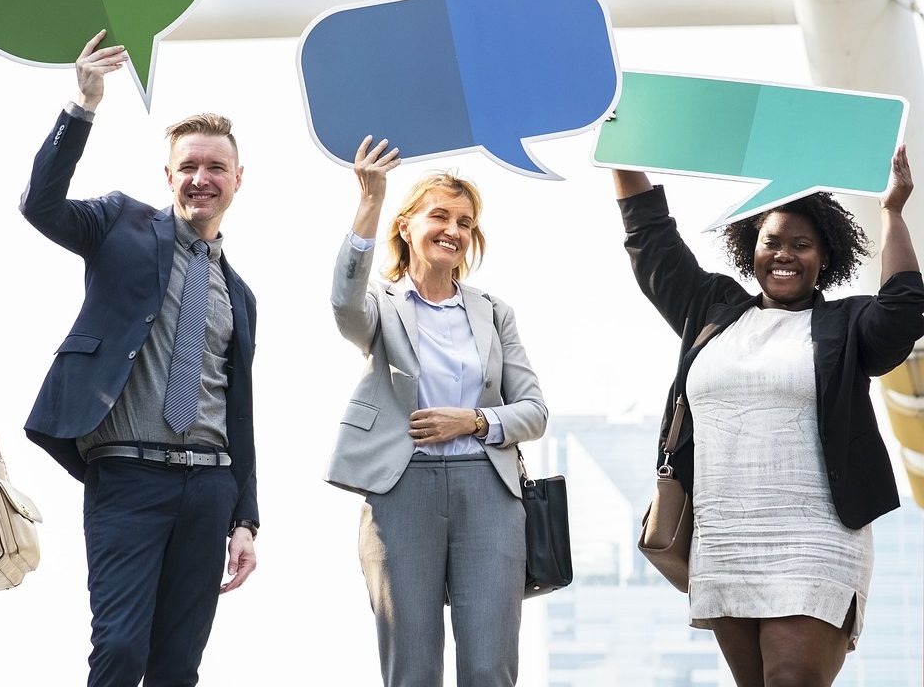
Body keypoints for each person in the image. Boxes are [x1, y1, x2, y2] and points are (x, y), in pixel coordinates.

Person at [612, 147, 923, 687]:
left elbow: (903, 309)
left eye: (801, 245)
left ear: (824, 257)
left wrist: (892, 213)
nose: (785, 255)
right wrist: (619, 150)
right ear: (749, 246)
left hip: (817, 537)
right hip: (727, 537)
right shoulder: (711, 308)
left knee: (791, 678)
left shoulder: (845, 324)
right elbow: (652, 239)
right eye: (772, 242)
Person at [19, 32, 259, 686]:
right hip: (127, 480)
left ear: (238, 180)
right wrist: (83, 103)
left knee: (177, 666)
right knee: (121, 651)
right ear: (169, 176)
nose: (201, 178)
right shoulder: (120, 225)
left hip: (210, 487)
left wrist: (246, 517)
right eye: (189, 166)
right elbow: (39, 205)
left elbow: (238, 409)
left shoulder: (240, 294)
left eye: (215, 167)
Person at [327, 136, 548, 686]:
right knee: (412, 669)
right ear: (407, 226)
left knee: (488, 667)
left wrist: (473, 420)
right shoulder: (381, 305)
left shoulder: (495, 313)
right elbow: (343, 303)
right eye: (440, 216)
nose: (453, 229)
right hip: (401, 488)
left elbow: (534, 411)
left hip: (488, 492)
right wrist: (370, 200)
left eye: (465, 221)